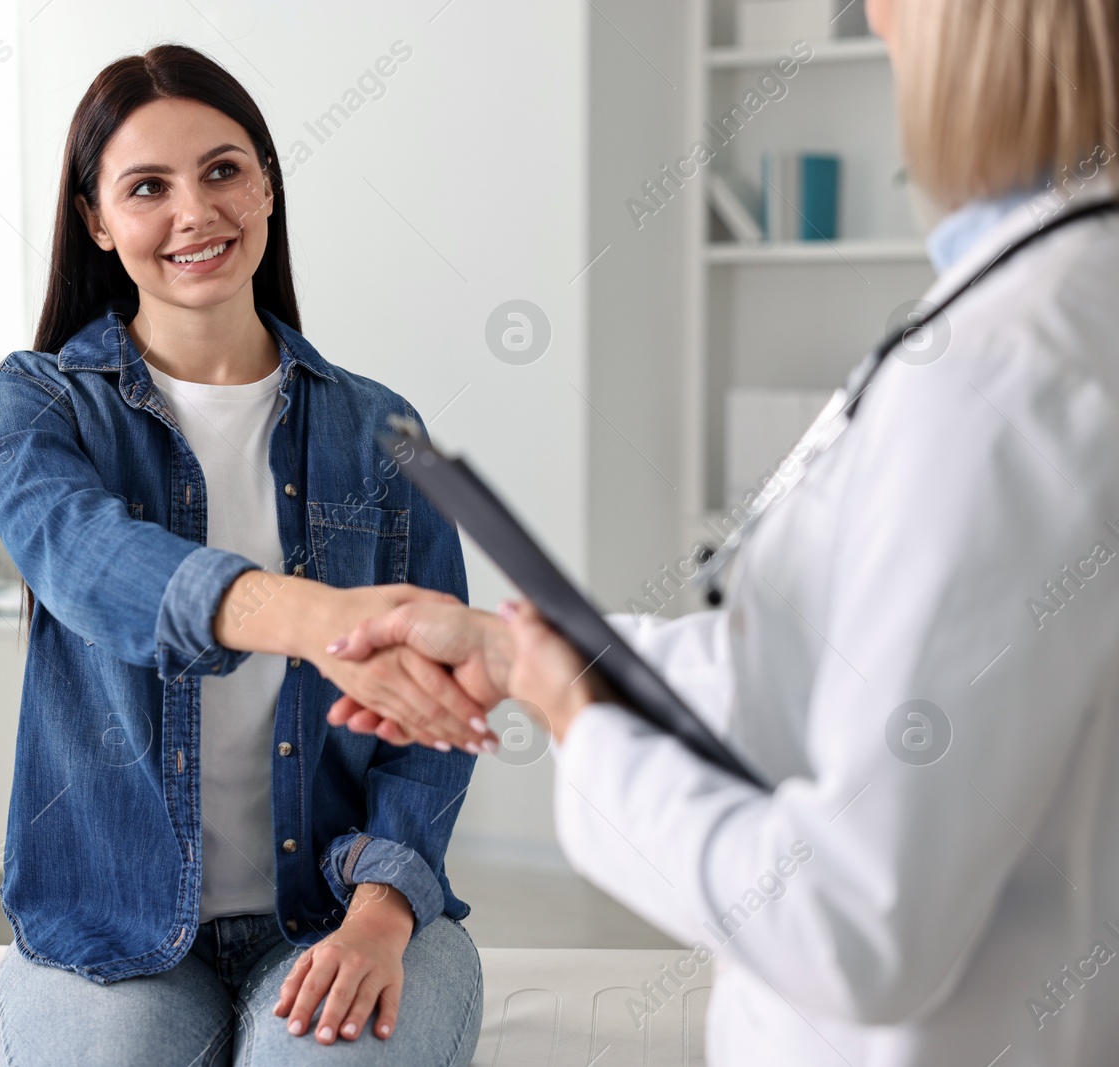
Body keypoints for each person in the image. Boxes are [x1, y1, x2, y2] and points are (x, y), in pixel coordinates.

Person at [326, 0, 1119, 1063]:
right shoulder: (1038, 320)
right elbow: (810, 672)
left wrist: (579, 718)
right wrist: (517, 652)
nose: (875, 16)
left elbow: (852, 926)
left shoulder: (1002, 374)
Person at [0, 44, 489, 1067]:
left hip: (339, 908)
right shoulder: (33, 407)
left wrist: (381, 915)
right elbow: (90, 560)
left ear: (266, 185)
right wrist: (318, 620)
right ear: (96, 222)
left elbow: (436, 722)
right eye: (146, 187)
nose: (195, 213)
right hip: (112, 932)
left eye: (221, 170)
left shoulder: (382, 432)